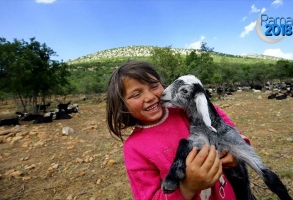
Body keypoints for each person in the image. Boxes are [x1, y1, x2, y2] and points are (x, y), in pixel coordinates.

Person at [106, 61, 251, 200]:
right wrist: (188, 187)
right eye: (136, 94)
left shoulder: (186, 109)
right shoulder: (134, 149)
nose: (150, 97)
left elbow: (227, 128)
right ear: (122, 105)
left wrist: (235, 153)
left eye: (154, 86)